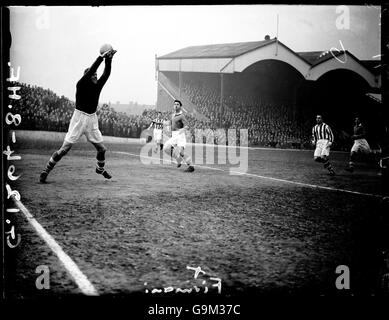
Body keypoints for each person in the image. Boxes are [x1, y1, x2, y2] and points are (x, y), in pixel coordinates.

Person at [39, 48, 117, 183]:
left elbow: (106, 74)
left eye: (95, 75)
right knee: (64, 149)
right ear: (86, 77)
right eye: (93, 75)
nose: (95, 76)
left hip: (92, 119)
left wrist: (109, 59)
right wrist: (100, 58)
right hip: (79, 119)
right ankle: (46, 170)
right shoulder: (80, 85)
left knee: (102, 149)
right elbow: (92, 71)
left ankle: (99, 169)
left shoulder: (97, 86)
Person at [163, 100, 194, 172]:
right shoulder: (173, 115)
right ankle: (178, 158)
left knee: (181, 152)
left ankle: (191, 166)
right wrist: (164, 123)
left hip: (180, 136)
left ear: (180, 106)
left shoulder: (181, 115)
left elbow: (188, 125)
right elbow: (171, 123)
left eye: (177, 104)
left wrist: (183, 129)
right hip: (174, 136)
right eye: (175, 104)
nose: (176, 105)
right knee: (166, 148)